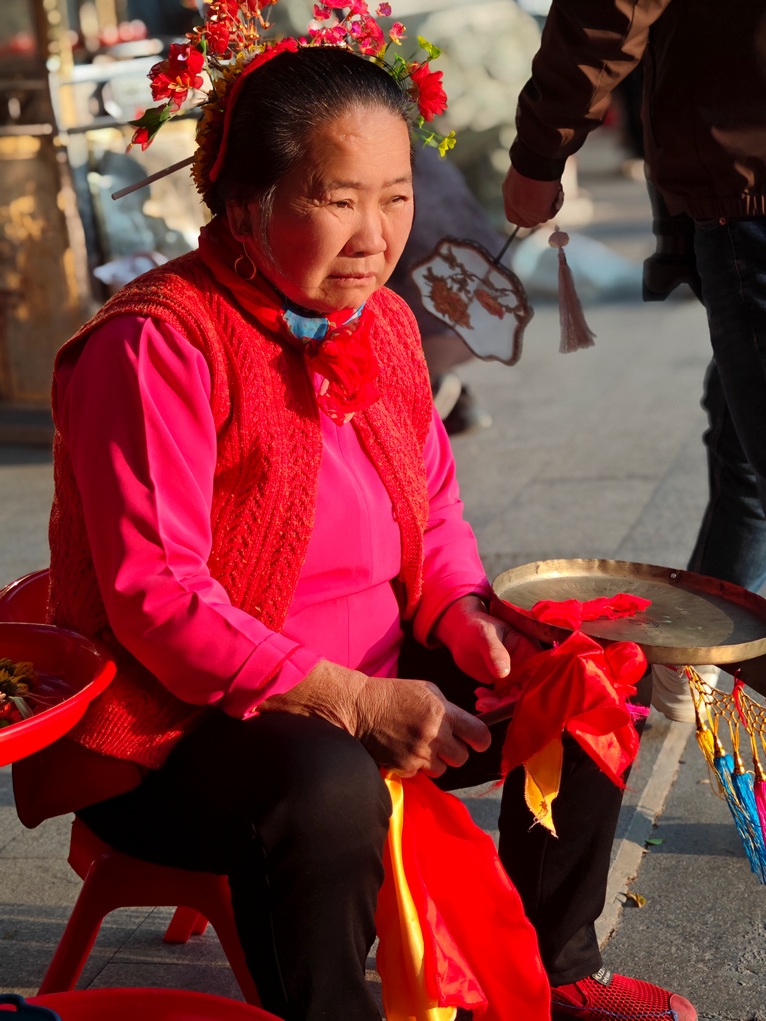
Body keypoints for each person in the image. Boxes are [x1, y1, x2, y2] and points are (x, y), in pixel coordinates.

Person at [10, 6, 690, 1021]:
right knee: (332, 783)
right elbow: (157, 598)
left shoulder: (385, 325)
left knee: (579, 672)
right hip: (182, 728)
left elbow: (437, 512)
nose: (375, 237)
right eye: (335, 199)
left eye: (397, 197)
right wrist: (354, 701)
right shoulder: (156, 347)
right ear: (243, 205)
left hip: (372, 669)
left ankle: (557, 971)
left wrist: (462, 610)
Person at [503, 0, 766, 1016]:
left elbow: (610, 7)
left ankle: (672, 682)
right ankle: (675, 680)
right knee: (739, 452)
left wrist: (542, 143)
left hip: (745, 171)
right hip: (731, 173)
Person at [388, 147, 499, 435]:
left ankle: (421, 387)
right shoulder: (414, 145)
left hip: (444, 329)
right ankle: (432, 384)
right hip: (491, 316)